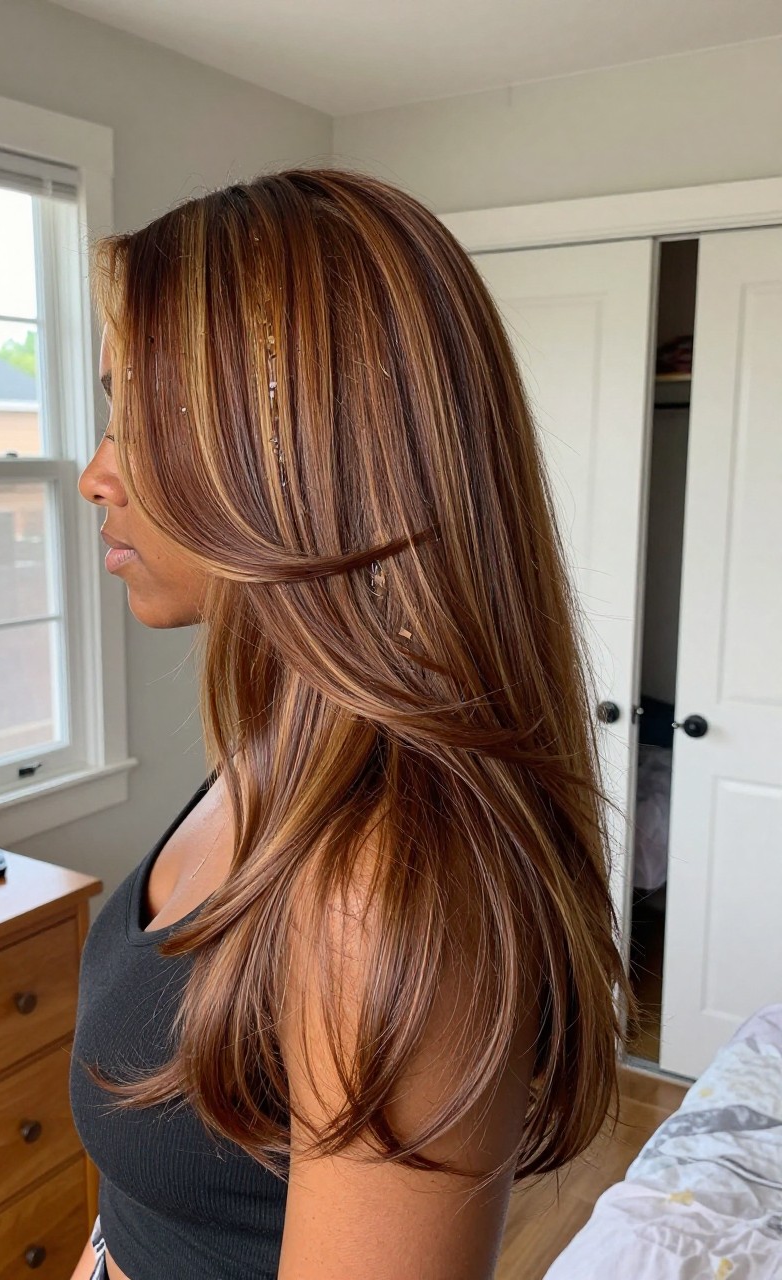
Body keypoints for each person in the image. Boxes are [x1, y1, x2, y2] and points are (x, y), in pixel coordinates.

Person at [68, 167, 633, 1280]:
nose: (97, 474)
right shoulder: (277, 755)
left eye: (142, 419)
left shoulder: (383, 886)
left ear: (297, 455)